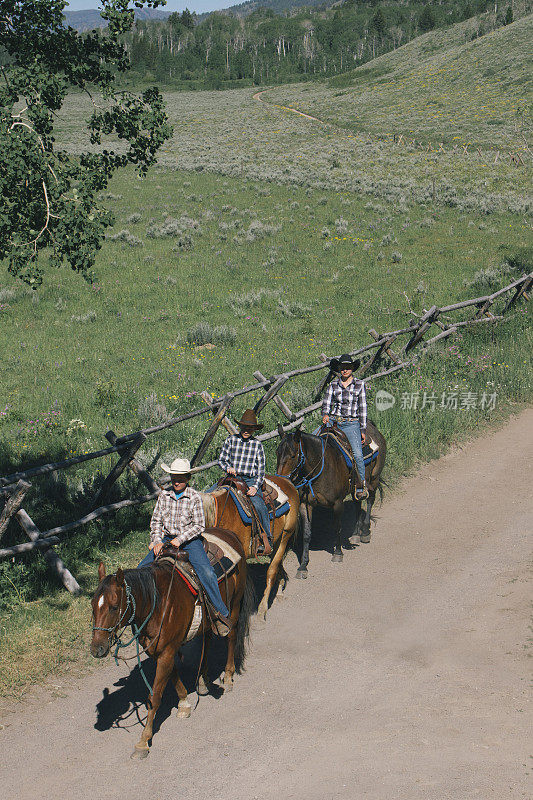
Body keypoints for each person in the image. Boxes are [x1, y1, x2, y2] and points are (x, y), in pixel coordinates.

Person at [137, 457, 232, 635]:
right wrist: (157, 540)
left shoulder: (194, 497)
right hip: (165, 540)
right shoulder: (164, 496)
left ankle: (220, 613)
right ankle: (141, 615)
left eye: (181, 478)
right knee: (140, 570)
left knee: (207, 573)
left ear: (188, 478)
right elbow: (156, 521)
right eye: (174, 477)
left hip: (189, 542)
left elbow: (198, 526)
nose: (177, 481)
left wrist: (180, 540)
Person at [218, 409, 272, 555]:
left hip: (249, 479)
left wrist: (255, 486)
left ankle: (267, 537)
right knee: (212, 495)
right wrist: (228, 467)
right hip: (232, 478)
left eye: (249, 428)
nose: (246, 430)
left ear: (254, 429)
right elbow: (222, 459)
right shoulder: (231, 440)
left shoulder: (257, 445)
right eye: (244, 427)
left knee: (259, 505)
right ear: (239, 427)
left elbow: (261, 470)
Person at [322, 353, 368, 500]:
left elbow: (362, 408)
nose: (345, 370)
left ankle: (361, 485)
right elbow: (326, 403)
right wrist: (325, 414)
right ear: (339, 369)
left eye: (348, 367)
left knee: (358, 455)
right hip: (334, 422)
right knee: (313, 440)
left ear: (352, 369)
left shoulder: (359, 385)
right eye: (342, 367)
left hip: (351, 423)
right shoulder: (333, 385)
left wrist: (362, 429)